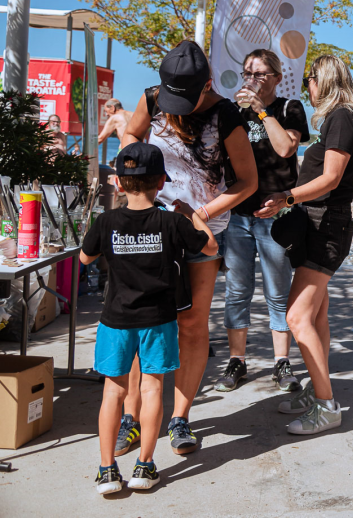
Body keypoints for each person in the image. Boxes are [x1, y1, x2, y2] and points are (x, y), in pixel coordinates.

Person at [119, 40, 257, 455]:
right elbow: (131, 133)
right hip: (151, 224)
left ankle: (180, 418)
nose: (173, 106)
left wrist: (197, 213)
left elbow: (247, 181)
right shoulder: (152, 97)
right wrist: (128, 169)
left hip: (203, 229)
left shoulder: (226, 114)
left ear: (207, 85)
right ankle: (133, 417)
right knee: (144, 321)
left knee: (193, 324)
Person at [84, 142, 217, 495]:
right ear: (161, 183)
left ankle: (107, 470)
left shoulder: (106, 221)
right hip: (158, 319)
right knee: (153, 387)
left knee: (114, 391)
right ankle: (144, 466)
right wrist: (193, 213)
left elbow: (84, 259)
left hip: (116, 320)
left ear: (118, 182)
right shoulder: (172, 222)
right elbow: (210, 247)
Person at [257, 54, 353, 435]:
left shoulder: (342, 118)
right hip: (321, 224)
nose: (308, 86)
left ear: (325, 79)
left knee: (296, 317)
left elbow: (332, 178)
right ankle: (319, 391)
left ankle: (326, 405)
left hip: (327, 225)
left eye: (310, 78)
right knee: (316, 315)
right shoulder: (342, 119)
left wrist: (287, 197)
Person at [215, 49, 310, 393]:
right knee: (237, 291)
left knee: (277, 292)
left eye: (258, 75)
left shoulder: (289, 109)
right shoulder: (232, 113)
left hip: (276, 214)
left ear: (276, 77)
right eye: (246, 74)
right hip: (239, 215)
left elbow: (286, 149)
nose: (251, 81)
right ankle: (237, 360)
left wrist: (261, 110)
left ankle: (281, 361)